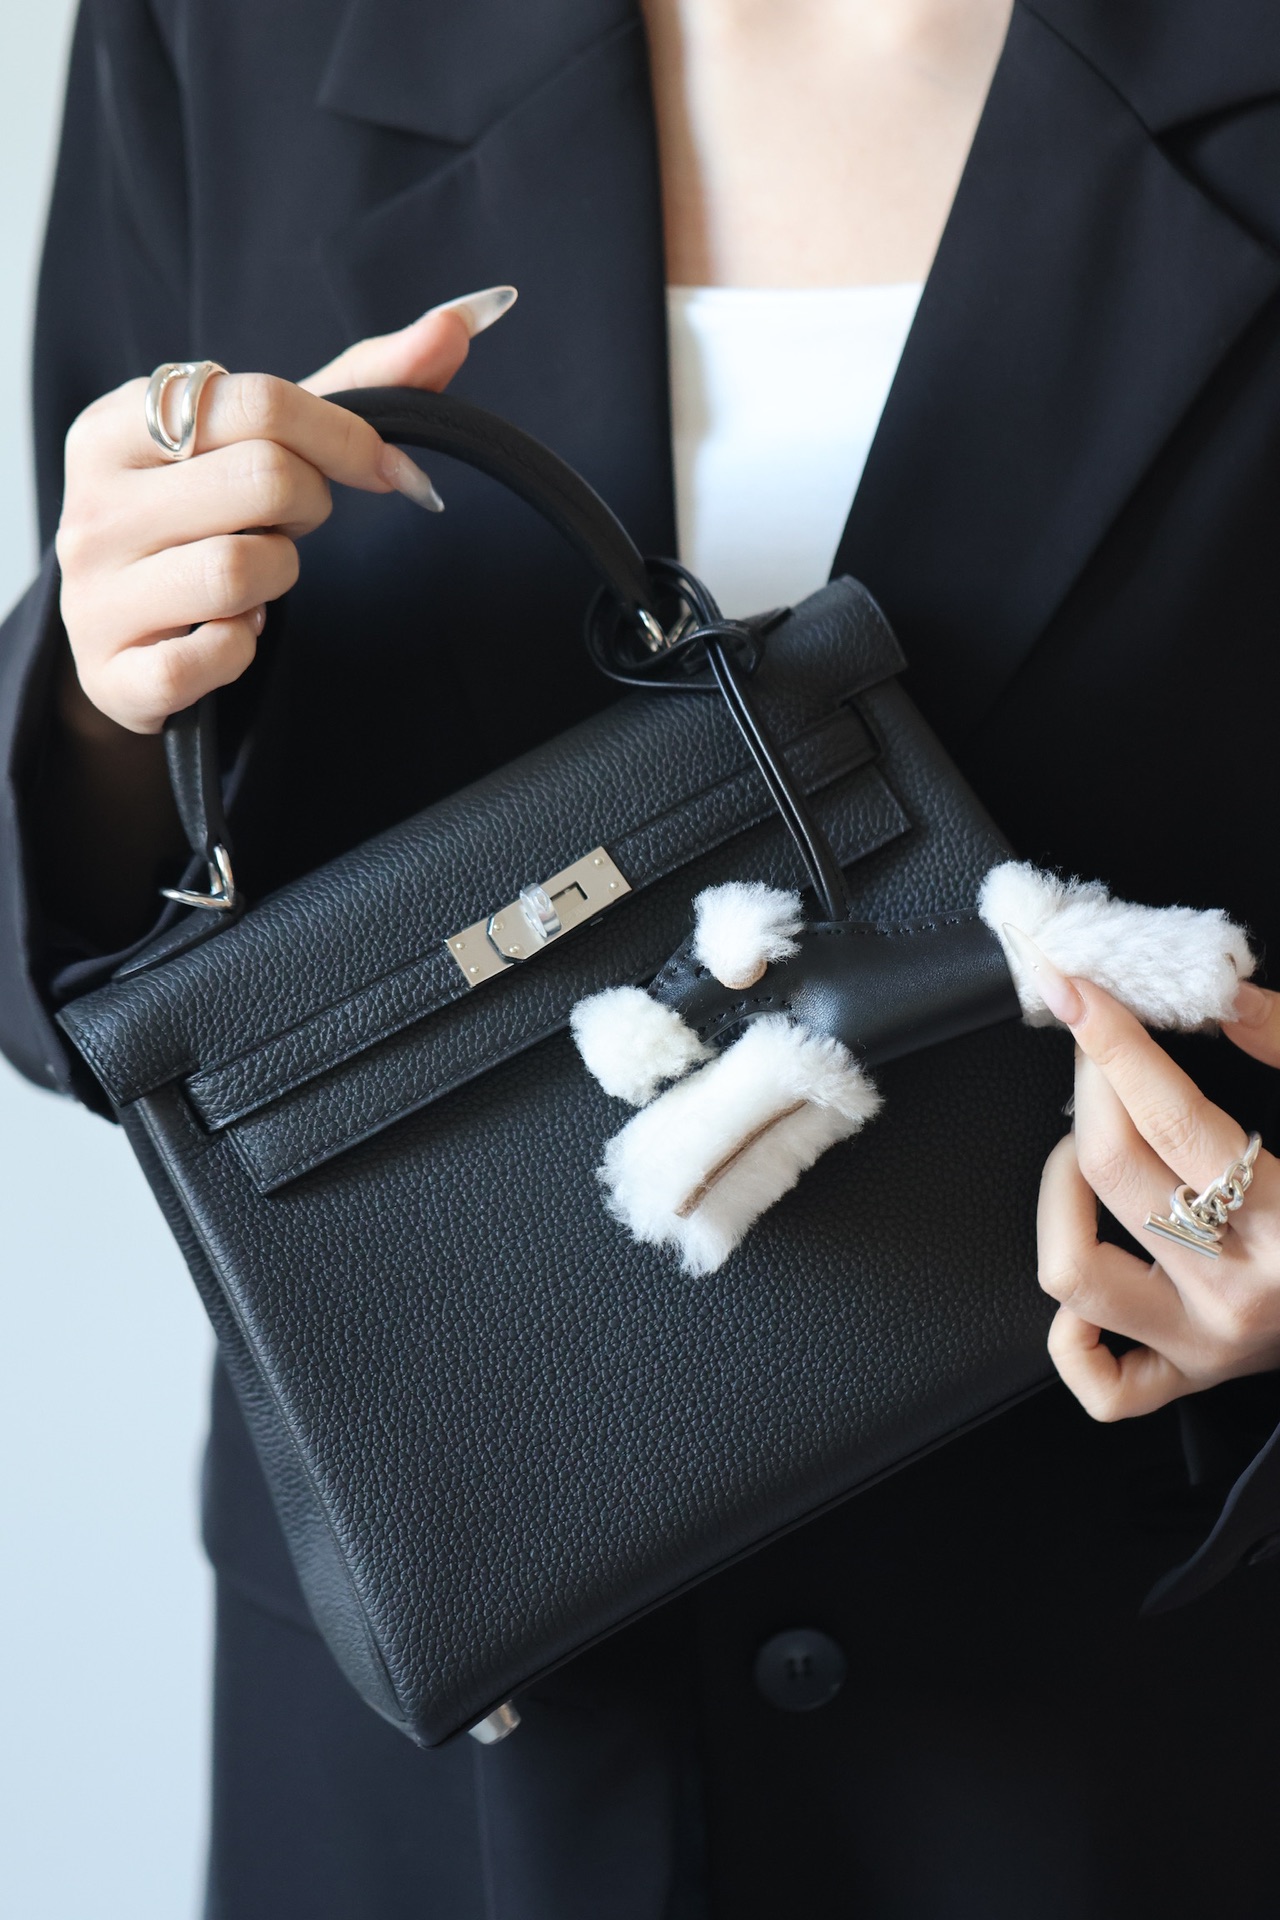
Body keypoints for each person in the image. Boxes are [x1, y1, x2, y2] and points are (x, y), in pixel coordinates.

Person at [4, 0, 1280, 1912]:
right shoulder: (226, 28)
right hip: (454, 1740)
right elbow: (97, 953)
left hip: (1127, 1687)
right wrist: (105, 692)